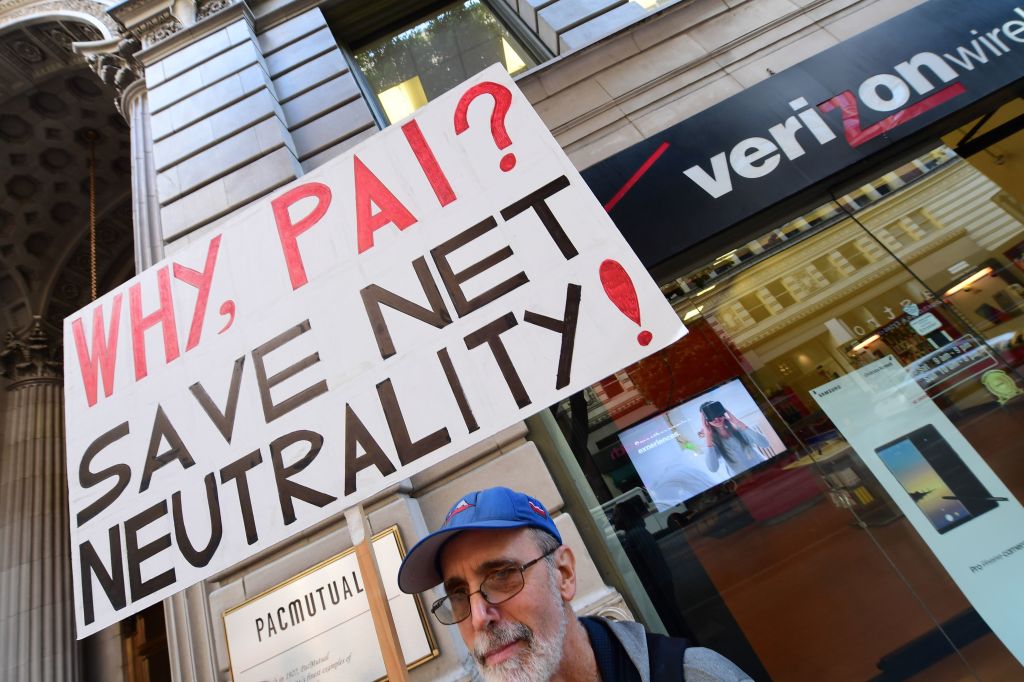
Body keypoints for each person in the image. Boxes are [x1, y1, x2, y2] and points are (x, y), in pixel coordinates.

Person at [397, 486, 752, 681]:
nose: (478, 617)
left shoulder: (697, 678)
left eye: (502, 575)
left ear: (564, 574)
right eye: (458, 596)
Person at [699, 401, 769, 477]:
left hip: (763, 468)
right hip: (744, 479)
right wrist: (708, 436)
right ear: (705, 420)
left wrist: (737, 422)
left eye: (717, 413)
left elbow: (765, 444)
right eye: (711, 416)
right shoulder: (712, 443)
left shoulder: (739, 429)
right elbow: (713, 468)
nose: (716, 419)